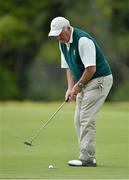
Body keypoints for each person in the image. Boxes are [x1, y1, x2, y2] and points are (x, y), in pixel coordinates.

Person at [48, 17, 113, 167]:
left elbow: (91, 68)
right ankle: (87, 155)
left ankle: (88, 158)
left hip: (99, 80)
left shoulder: (83, 40)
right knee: (78, 119)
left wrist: (79, 85)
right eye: (55, 35)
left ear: (68, 28)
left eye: (60, 33)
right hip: (84, 82)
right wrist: (71, 87)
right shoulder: (62, 44)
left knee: (86, 117)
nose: (58, 37)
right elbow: (69, 68)